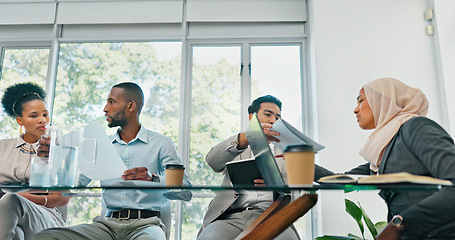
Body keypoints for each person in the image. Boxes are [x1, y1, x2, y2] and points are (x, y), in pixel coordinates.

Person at [34, 82, 191, 240]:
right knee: (46, 237)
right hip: (106, 225)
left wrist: (153, 179)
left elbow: (186, 191)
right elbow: (70, 188)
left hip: (146, 226)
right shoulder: (101, 144)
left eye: (112, 101)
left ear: (131, 106)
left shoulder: (161, 143)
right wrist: (54, 156)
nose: (105, 108)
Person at [314, 78, 455, 239]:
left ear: (383, 101)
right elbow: (342, 179)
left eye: (360, 100)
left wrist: (400, 225)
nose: (355, 109)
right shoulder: (384, 150)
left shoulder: (415, 127)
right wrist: (291, 162)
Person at [197, 95, 299, 240]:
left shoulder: (288, 152)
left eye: (277, 118)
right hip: (230, 218)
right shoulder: (237, 144)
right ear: (252, 117)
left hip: (274, 218)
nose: (273, 120)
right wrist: (245, 138)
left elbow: (302, 193)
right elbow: (213, 161)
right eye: (268, 114)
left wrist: (281, 186)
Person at [0, 82, 70, 240]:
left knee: (11, 199)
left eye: (45, 114)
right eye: (34, 116)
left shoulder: (60, 149)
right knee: (16, 233)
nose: (42, 120)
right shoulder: (2, 147)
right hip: (7, 215)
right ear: (20, 120)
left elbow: (63, 198)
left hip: (48, 216)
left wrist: (15, 195)